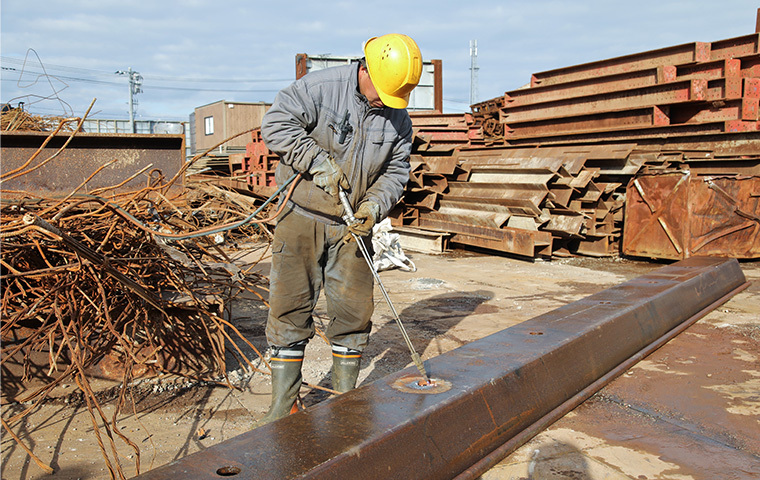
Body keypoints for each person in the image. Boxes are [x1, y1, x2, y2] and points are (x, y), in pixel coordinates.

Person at [256, 33, 423, 425]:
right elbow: (277, 124)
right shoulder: (320, 88)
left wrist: (374, 205)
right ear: (365, 69)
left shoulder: (398, 116)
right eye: (383, 92)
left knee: (352, 312)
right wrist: (315, 161)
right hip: (302, 217)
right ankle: (285, 405)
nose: (386, 101)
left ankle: (345, 403)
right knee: (289, 308)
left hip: (354, 225)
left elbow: (396, 171)